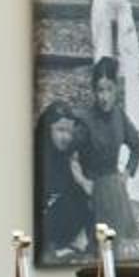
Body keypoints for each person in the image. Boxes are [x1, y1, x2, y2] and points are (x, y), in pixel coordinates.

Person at [78, 58, 139, 241]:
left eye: (109, 89)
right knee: (97, 246)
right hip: (91, 192)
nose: (104, 97)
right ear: (94, 91)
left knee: (116, 245)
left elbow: (137, 146)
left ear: (116, 90)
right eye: (100, 90)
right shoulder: (85, 120)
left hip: (114, 191)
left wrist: (126, 174)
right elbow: (71, 157)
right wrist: (83, 182)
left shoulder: (119, 116)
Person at [36, 101, 95, 260]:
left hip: (61, 224)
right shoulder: (37, 156)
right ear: (47, 129)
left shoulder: (67, 156)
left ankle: (75, 244)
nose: (66, 137)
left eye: (70, 131)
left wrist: (81, 180)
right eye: (60, 130)